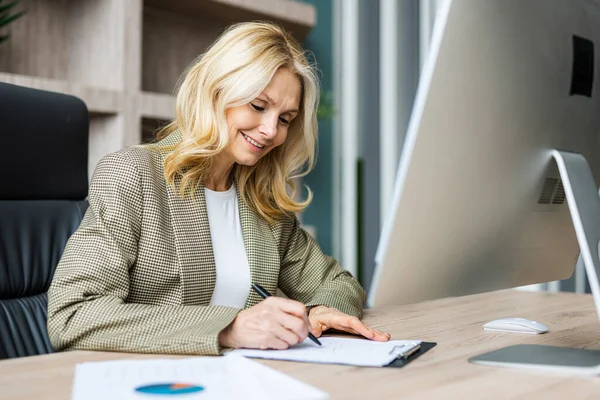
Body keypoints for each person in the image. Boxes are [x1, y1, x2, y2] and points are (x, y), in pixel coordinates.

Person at [47, 21, 390, 356]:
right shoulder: (133, 175)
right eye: (258, 106)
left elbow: (340, 285)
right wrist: (229, 328)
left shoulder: (262, 200)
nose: (271, 130)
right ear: (216, 91)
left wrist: (318, 311)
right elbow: (73, 314)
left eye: (285, 118)